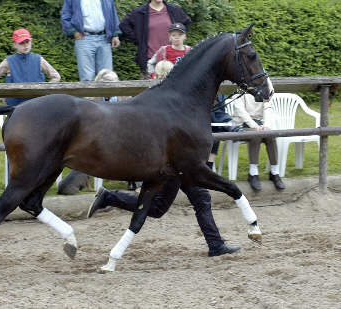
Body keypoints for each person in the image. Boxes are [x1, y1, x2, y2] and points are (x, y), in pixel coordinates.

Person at [87, 181, 241, 257]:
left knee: (201, 197)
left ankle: (216, 245)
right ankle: (108, 197)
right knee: (157, 207)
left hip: (182, 160)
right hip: (175, 161)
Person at [0, 28, 61, 106]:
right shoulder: (9, 61)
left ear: (31, 41)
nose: (25, 45)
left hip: (37, 104)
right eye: (21, 43)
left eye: (27, 42)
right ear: (15, 44)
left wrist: (46, 93)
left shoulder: (39, 60)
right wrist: (0, 97)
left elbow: (56, 76)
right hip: (14, 105)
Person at [120, 0, 191, 79]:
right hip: (150, 61)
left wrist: (179, 38)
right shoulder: (140, 12)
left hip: (173, 59)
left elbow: (186, 22)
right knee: (150, 89)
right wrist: (139, 39)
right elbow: (124, 25)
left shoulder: (173, 9)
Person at [231, 93, 285, 191]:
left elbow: (268, 108)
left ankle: (274, 173)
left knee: (270, 135)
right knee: (256, 135)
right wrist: (255, 126)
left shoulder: (263, 89)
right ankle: (253, 173)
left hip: (259, 125)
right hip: (242, 126)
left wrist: (267, 125)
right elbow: (241, 111)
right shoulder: (239, 89)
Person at [61, 0, 121, 82]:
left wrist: (115, 34)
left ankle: (107, 95)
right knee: (87, 78)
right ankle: (88, 95)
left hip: (104, 38)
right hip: (84, 39)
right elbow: (65, 17)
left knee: (108, 77)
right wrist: (74, 32)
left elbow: (113, 15)